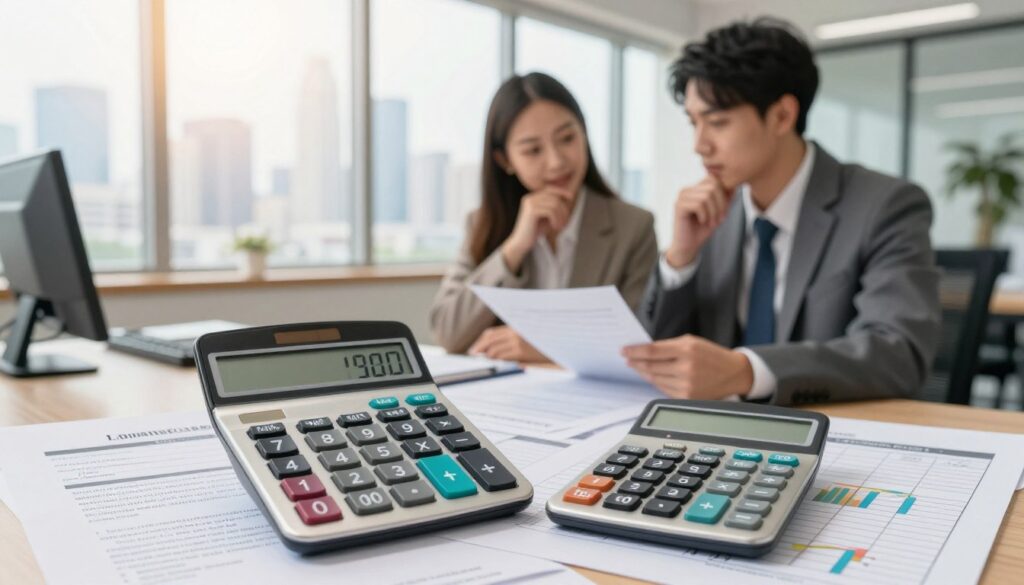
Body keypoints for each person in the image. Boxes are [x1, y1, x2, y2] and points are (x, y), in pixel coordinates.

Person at [623, 18, 940, 405]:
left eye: (717, 122)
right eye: (694, 123)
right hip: (716, 438)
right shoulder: (709, 214)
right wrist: (680, 258)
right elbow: (653, 359)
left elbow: (898, 352)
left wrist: (746, 370)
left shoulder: (885, 205)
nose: (699, 145)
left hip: (832, 433)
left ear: (782, 116)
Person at [431, 72, 658, 360]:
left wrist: (542, 347)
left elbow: (642, 340)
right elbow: (448, 333)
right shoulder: (482, 223)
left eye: (567, 138)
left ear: (584, 134)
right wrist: (513, 249)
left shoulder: (633, 227)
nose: (556, 161)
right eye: (533, 150)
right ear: (505, 160)